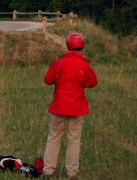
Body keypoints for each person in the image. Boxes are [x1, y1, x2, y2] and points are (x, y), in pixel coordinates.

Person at [42, 32, 98, 178]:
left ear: (68, 45)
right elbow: (93, 82)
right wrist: (82, 84)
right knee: (74, 140)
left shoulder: (59, 63)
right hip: (77, 108)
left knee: (53, 137)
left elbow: (48, 80)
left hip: (59, 107)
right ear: (82, 47)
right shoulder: (85, 65)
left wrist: (58, 80)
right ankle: (72, 173)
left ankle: (48, 171)